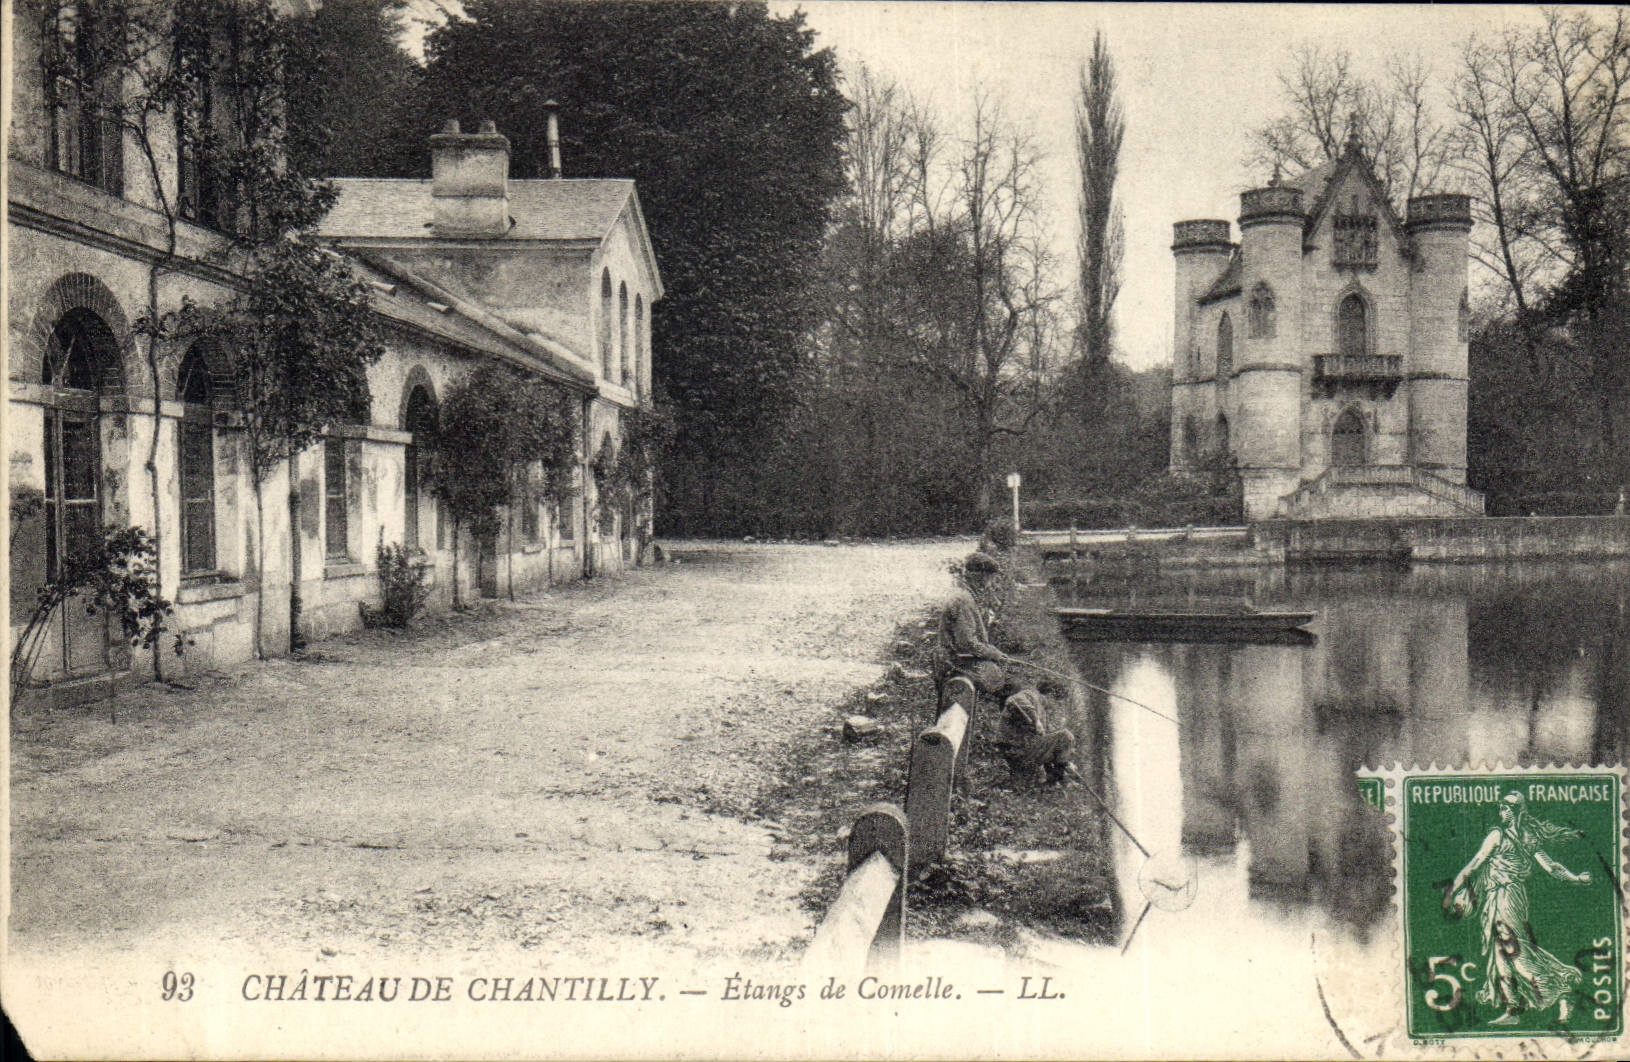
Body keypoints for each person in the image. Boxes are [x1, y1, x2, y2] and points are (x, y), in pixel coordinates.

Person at [1443, 791, 1591, 1025]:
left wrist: (1451, 890)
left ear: (1515, 811)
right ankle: (1513, 1009)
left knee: (1514, 952)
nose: (1500, 813)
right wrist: (1576, 878)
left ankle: (1561, 991)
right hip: (1502, 897)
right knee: (1502, 952)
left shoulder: (1499, 835)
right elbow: (1551, 867)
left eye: (1504, 809)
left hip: (1506, 897)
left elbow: (1474, 864)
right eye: (1500, 808)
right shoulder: (1527, 837)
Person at [938, 553, 1014, 697]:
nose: (993, 583)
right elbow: (966, 643)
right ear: (981, 576)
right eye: (992, 578)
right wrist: (993, 653)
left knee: (1005, 676)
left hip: (959, 660)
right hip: (956, 665)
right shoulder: (963, 600)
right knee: (1011, 685)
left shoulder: (964, 594)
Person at [996, 686, 1075, 785]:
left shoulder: (1043, 713)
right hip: (1014, 747)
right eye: (1057, 703)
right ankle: (1055, 780)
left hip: (1019, 751)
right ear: (1050, 695)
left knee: (1058, 745)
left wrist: (1065, 763)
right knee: (1066, 736)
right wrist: (1036, 720)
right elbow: (1013, 700)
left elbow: (1048, 746)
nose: (1055, 707)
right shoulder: (1032, 695)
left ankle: (1054, 781)